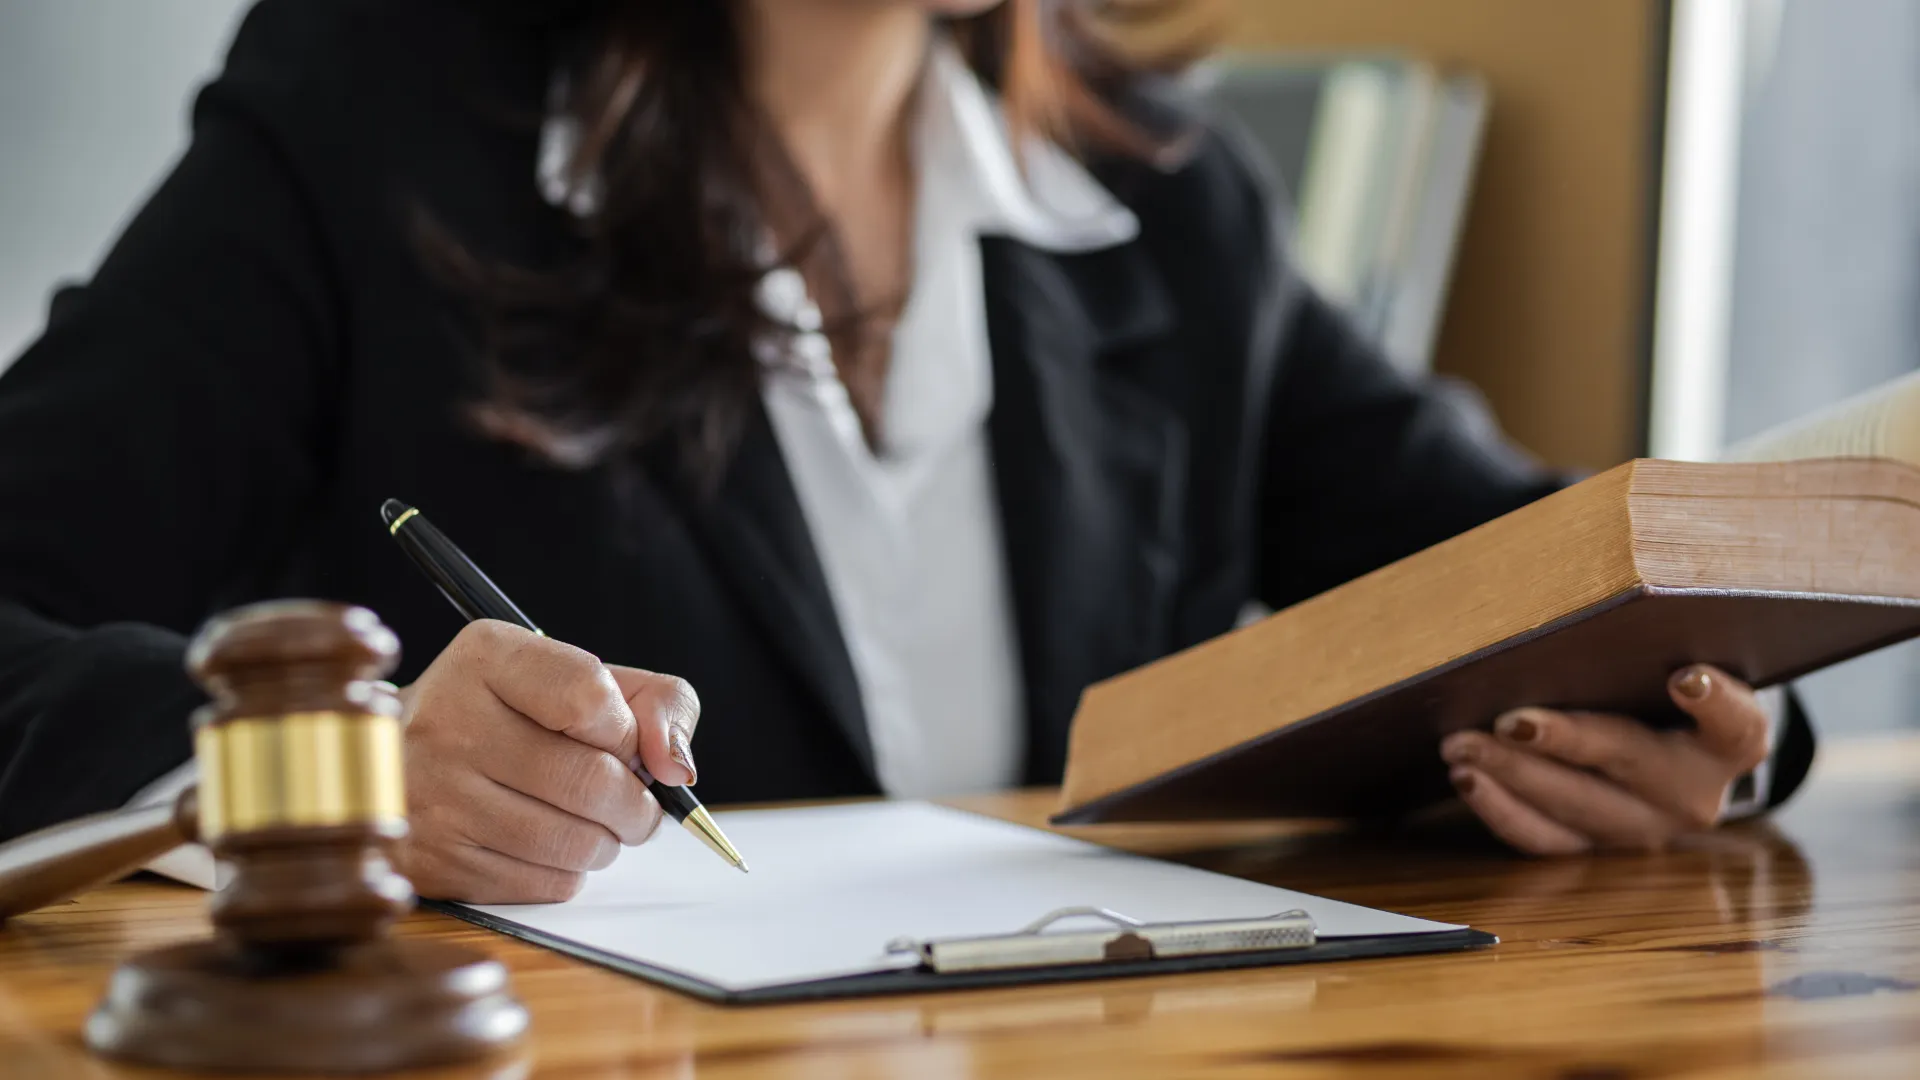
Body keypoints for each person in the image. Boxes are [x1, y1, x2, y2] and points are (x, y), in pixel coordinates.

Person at [0, 0, 1810, 901]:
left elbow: (1527, 567)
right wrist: (345, 780)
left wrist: (1712, 732)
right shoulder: (361, 129)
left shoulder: (1165, 208)